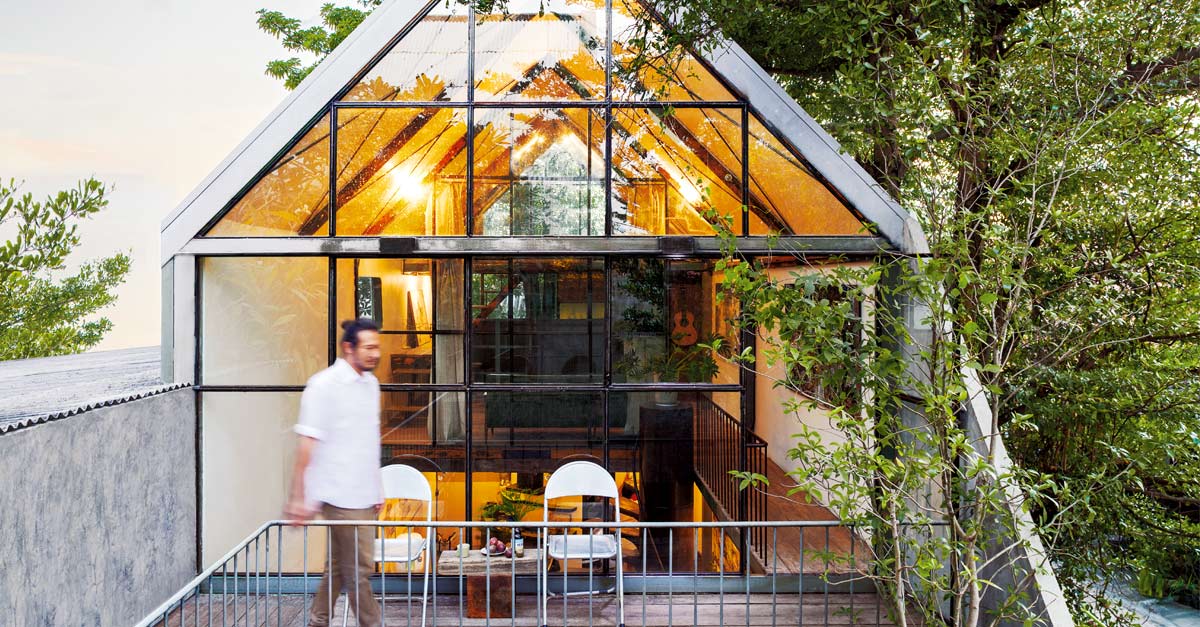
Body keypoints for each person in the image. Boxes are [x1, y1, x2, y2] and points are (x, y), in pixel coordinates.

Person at [285, 318, 384, 627]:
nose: (375, 353)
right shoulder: (324, 385)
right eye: (369, 347)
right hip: (338, 494)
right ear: (348, 348)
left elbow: (369, 441)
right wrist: (298, 497)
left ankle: (318, 621)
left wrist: (377, 487)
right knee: (360, 570)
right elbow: (307, 444)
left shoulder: (371, 385)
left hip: (363, 493)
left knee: (339, 566)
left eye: (377, 347)